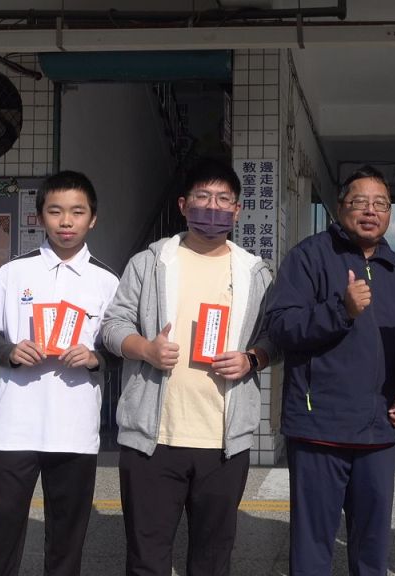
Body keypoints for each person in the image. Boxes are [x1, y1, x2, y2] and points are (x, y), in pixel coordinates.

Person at [100, 157, 276, 576]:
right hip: (153, 439)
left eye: (223, 199)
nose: (212, 207)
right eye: (202, 197)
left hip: (224, 442)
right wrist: (145, 349)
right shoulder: (149, 262)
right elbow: (112, 325)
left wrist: (252, 359)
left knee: (213, 559)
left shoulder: (255, 273)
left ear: (237, 210)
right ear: (183, 205)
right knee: (146, 558)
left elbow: (275, 337)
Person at [0, 170, 119, 576]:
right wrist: (11, 351)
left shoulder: (106, 282)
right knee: (2, 525)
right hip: (15, 426)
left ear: (93, 219)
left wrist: (94, 357)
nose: (66, 221)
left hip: (75, 428)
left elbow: (119, 349)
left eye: (77, 212)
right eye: (55, 211)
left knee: (68, 533)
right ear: (40, 217)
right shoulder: (13, 273)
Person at [265, 165, 395, 576]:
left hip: (378, 431)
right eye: (360, 201)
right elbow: (280, 326)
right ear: (340, 206)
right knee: (312, 547)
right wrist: (340, 310)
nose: (370, 211)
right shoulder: (309, 257)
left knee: (372, 550)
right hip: (319, 428)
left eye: (380, 204)